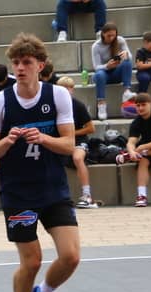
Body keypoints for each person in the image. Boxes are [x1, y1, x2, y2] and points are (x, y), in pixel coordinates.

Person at [0, 33, 78, 292]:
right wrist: (6, 142)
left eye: (26, 62)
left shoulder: (58, 96)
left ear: (41, 65)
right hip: (18, 192)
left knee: (71, 257)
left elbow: (69, 145)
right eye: (16, 62)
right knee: (32, 260)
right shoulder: (0, 101)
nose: (20, 68)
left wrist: (44, 138)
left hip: (53, 188)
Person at [56, 76, 97, 208]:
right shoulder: (53, 105)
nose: (64, 91)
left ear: (72, 90)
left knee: (78, 158)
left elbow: (91, 128)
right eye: (61, 88)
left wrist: (72, 133)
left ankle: (87, 195)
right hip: (60, 139)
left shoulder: (78, 105)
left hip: (78, 139)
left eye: (67, 88)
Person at [92, 22, 134, 120]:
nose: (111, 38)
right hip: (104, 74)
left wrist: (126, 55)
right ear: (103, 34)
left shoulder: (120, 40)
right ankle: (101, 104)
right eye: (108, 36)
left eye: (113, 35)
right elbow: (96, 67)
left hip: (117, 72)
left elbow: (130, 58)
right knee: (99, 74)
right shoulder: (96, 46)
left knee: (127, 62)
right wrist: (107, 66)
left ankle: (127, 91)